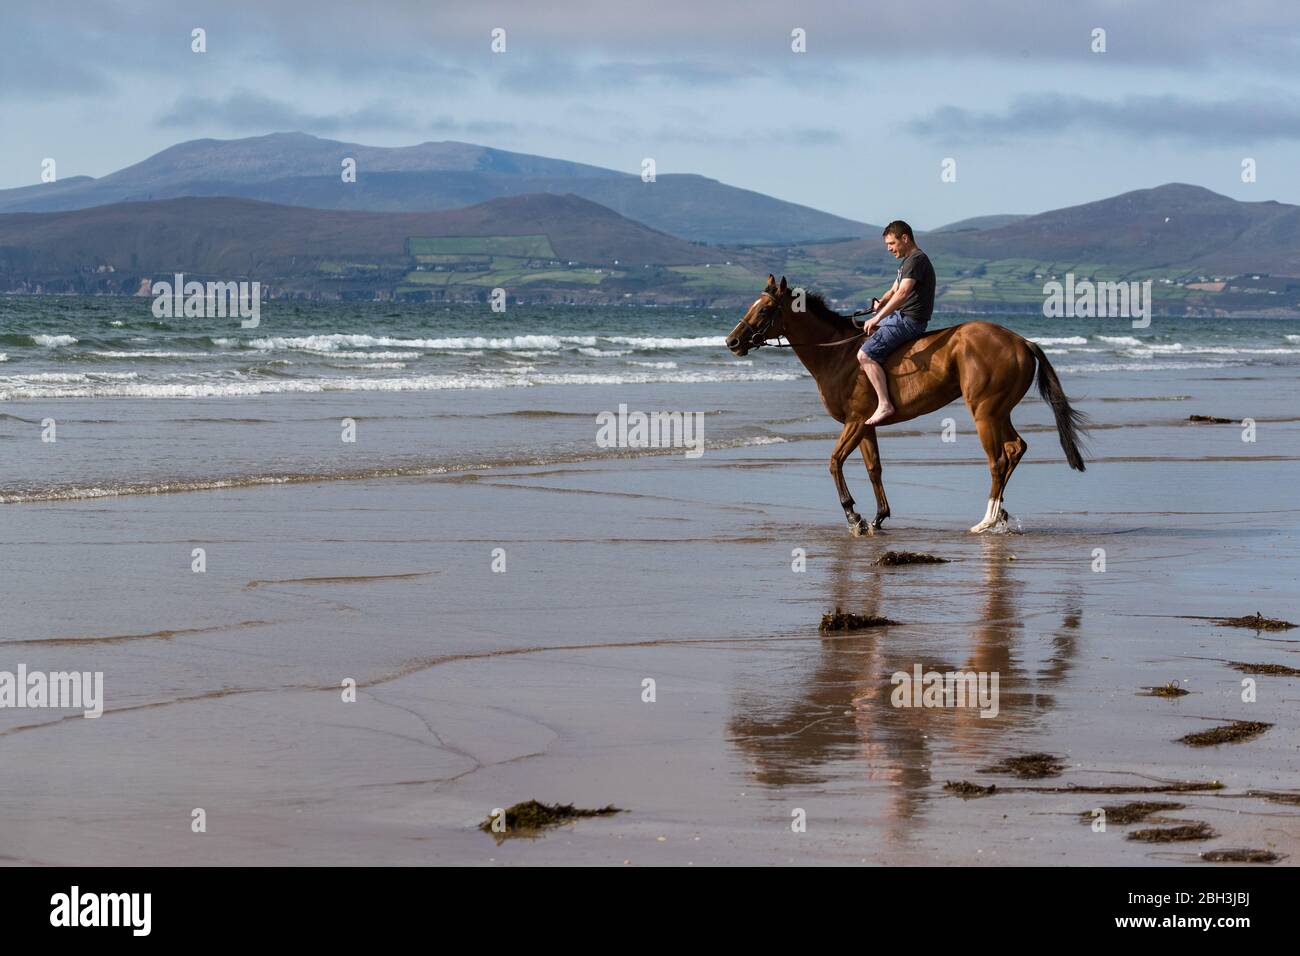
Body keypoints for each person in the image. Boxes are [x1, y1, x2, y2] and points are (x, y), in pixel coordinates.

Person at [858, 220, 936, 426]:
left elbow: (902, 294)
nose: (890, 249)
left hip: (909, 320)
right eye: (887, 245)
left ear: (905, 238)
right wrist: (880, 302)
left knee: (864, 354)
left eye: (891, 244)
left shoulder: (917, 260)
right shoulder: (907, 262)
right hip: (900, 317)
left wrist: (877, 318)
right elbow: (893, 291)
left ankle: (885, 404)